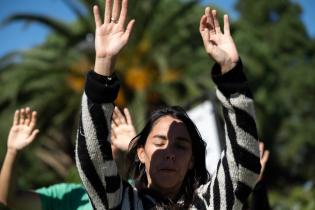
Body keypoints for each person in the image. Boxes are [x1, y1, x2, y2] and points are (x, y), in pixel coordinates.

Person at [75, 0, 261, 209]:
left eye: (181, 146)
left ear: (191, 160)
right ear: (141, 153)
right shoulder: (120, 201)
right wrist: (104, 63)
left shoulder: (210, 203)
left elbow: (244, 167)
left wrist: (229, 70)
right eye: (159, 142)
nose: (169, 152)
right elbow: (92, 159)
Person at [0, 107, 135, 210]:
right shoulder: (69, 196)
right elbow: (10, 199)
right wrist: (12, 152)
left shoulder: (138, 192)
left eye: (110, 141)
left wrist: (135, 147)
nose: (102, 150)